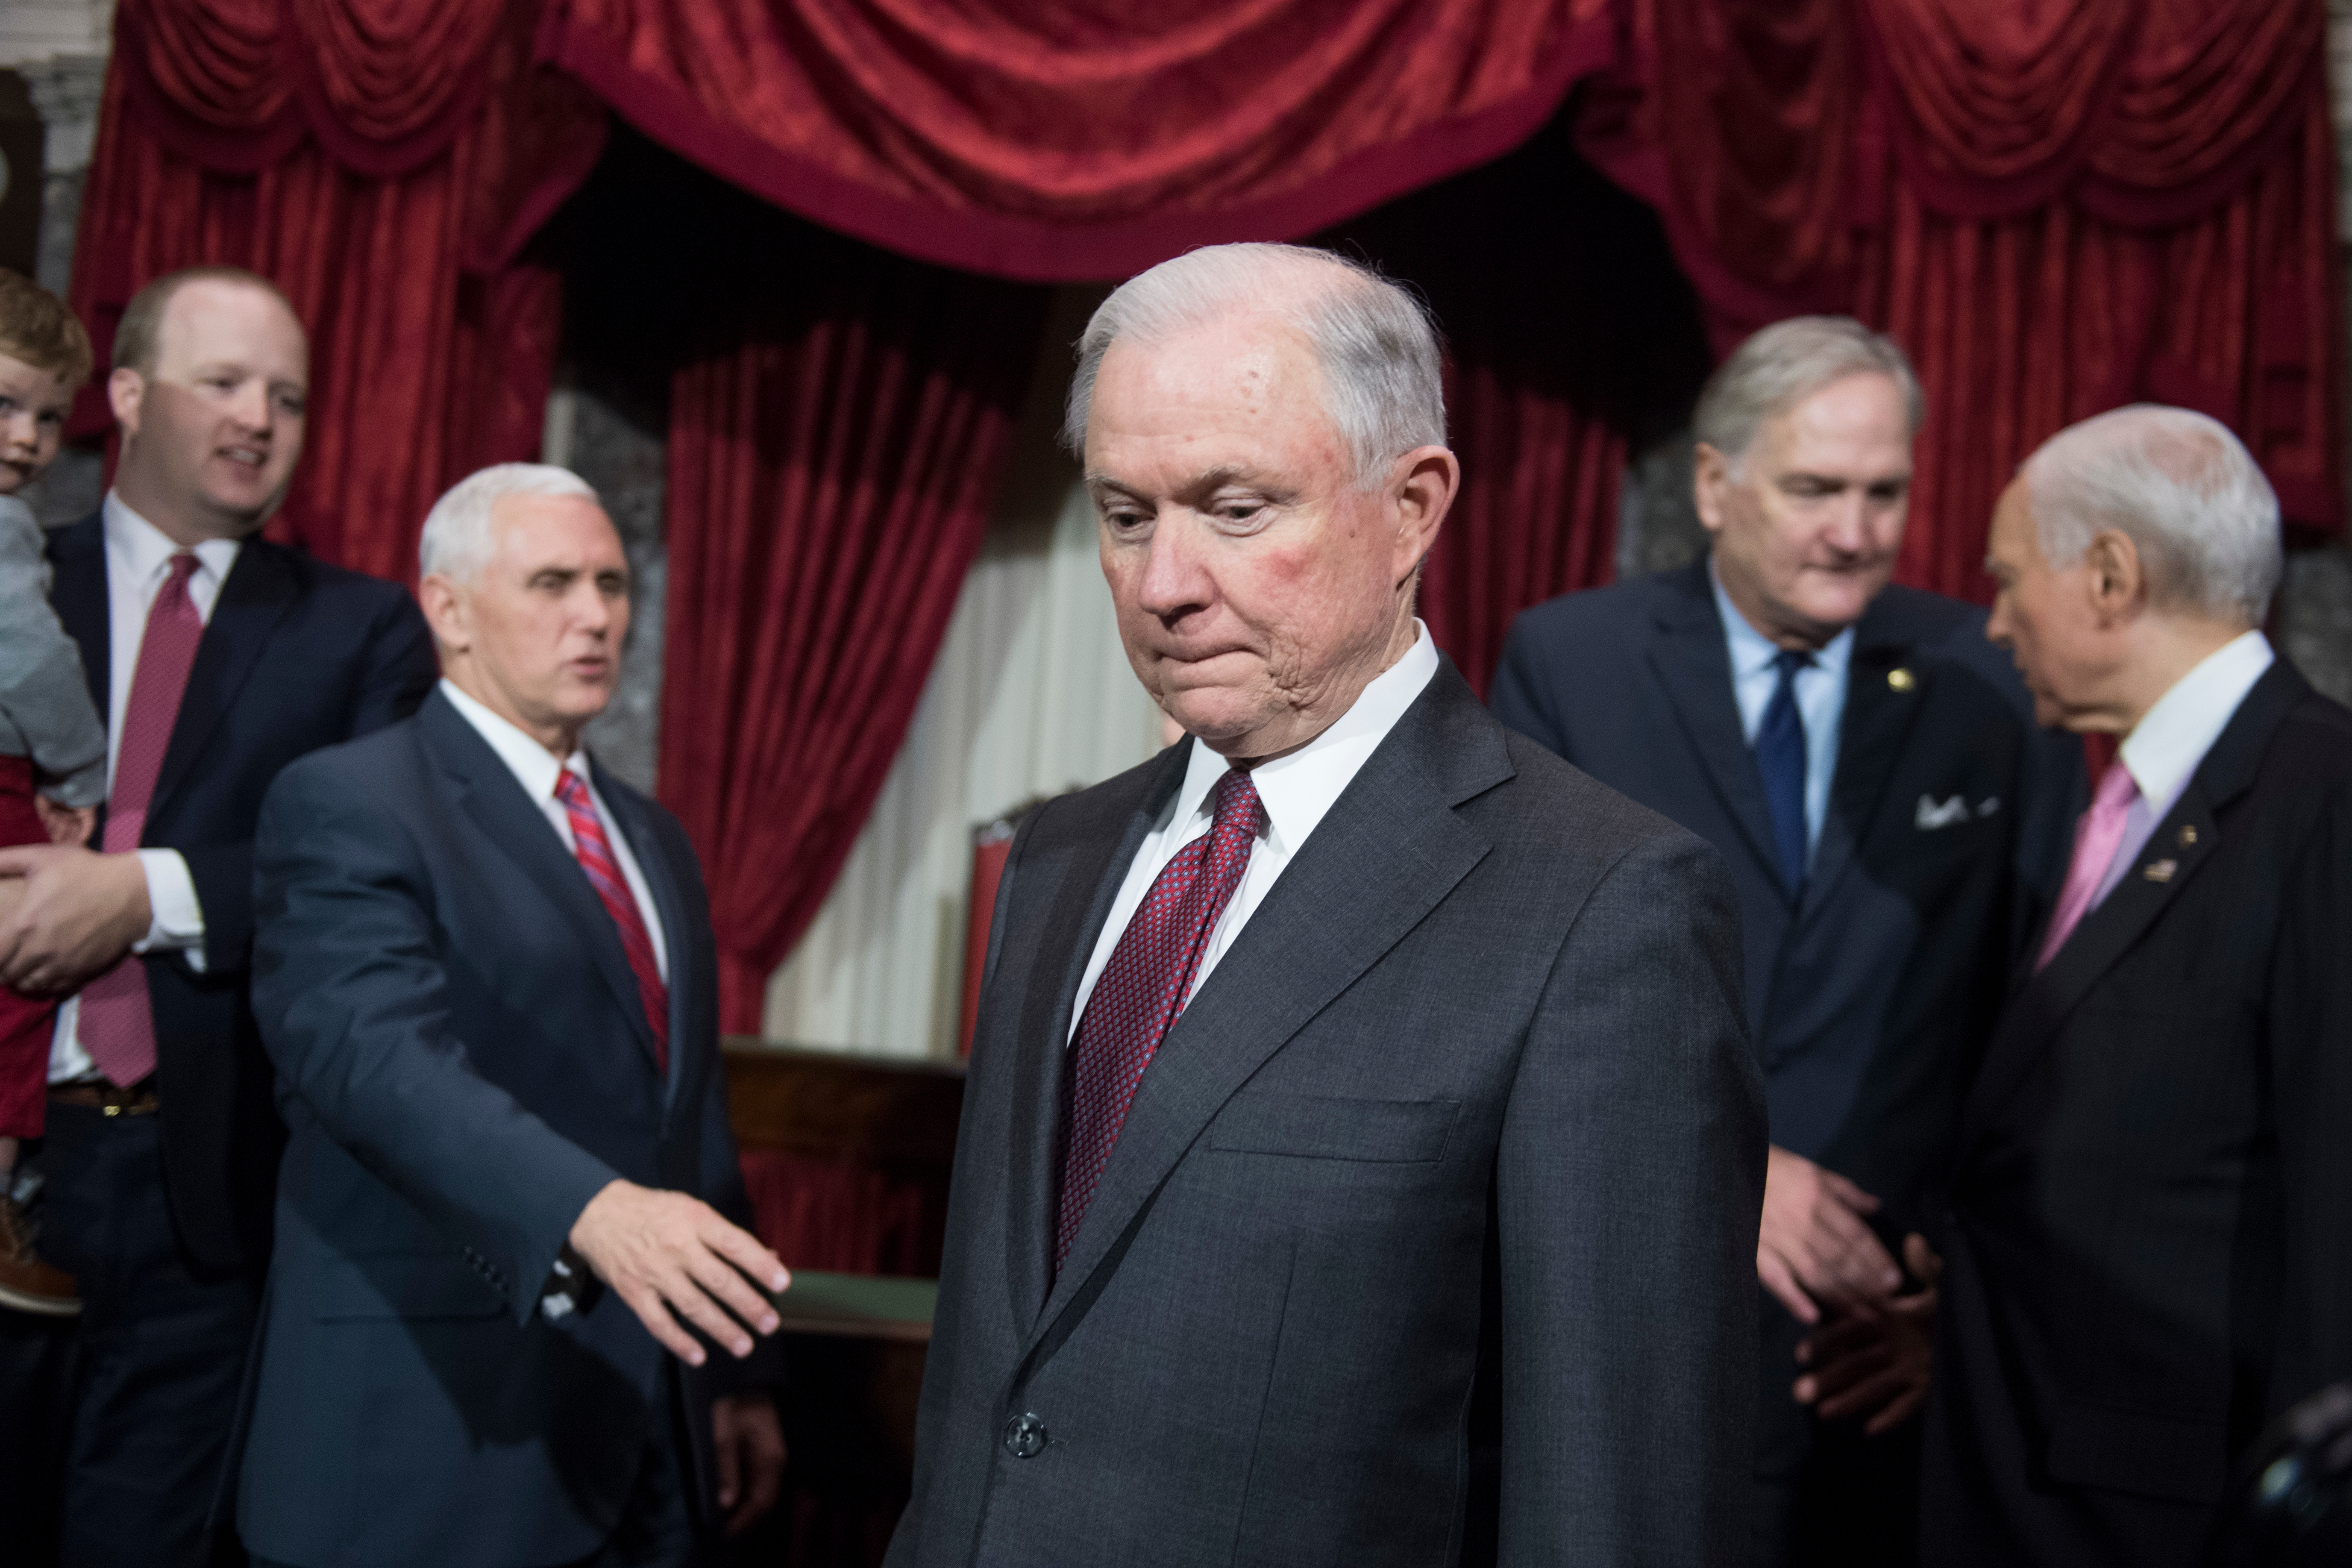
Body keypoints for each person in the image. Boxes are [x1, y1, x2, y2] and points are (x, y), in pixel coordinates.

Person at [886, 243, 1766, 1568]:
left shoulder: (1602, 906)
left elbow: (1613, 1491)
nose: (1165, 581)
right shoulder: (1061, 859)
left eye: (1235, 508)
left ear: (1412, 507)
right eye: (1127, 514)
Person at [1489, 317, 2082, 1567]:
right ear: (1715, 485)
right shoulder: (1571, 661)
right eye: (1816, 488)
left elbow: (2044, 1013)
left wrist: (1961, 1305)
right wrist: (1730, 1167)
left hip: (1877, 1363)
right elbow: (1511, 991)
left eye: (1884, 492)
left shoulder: (1993, 679)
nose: (1854, 531)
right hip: (1628, 1321)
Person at [242, 464, 788, 1568]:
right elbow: (374, 1060)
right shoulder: (348, 798)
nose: (596, 614)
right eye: (551, 581)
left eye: (611, 581)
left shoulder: (653, 837)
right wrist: (593, 1208)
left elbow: (687, 1115)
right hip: (428, 1437)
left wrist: (728, 1375)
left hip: (645, 1436)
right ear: (447, 608)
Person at [0, 265, 438, 1563]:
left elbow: (382, 862)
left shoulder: (362, 633)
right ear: (125, 396)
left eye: (289, 396)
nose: (260, 416)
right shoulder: (18, 563)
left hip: (206, 1188)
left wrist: (141, 893)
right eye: (225, 381)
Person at [1923, 406, 2352, 1568]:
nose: (1997, 621)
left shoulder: (2323, 800)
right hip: (2022, 1479)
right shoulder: (2113, 799)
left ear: (2110, 576)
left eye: (2011, 579)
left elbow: (2337, 1221)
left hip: (2170, 1521)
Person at [0, 268, 106, 1315]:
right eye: (3, 402)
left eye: (44, 414)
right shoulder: (5, 529)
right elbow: (31, 663)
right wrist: (81, 770)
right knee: (19, 983)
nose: (27, 438)